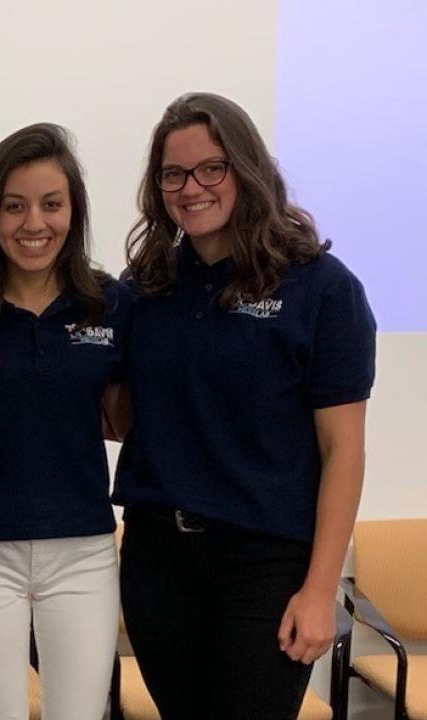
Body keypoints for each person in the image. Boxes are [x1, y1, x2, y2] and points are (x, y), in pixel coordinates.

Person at [114, 92, 376, 719]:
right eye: (173, 174)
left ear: (247, 169)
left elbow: (343, 452)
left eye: (212, 167)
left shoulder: (320, 286)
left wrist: (320, 590)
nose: (191, 187)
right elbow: (123, 415)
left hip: (266, 562)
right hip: (159, 561)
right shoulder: (146, 288)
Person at [0, 124, 128, 720]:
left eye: (52, 205)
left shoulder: (109, 303)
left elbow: (131, 413)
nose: (34, 224)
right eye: (14, 206)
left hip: (83, 552)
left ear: (73, 212)